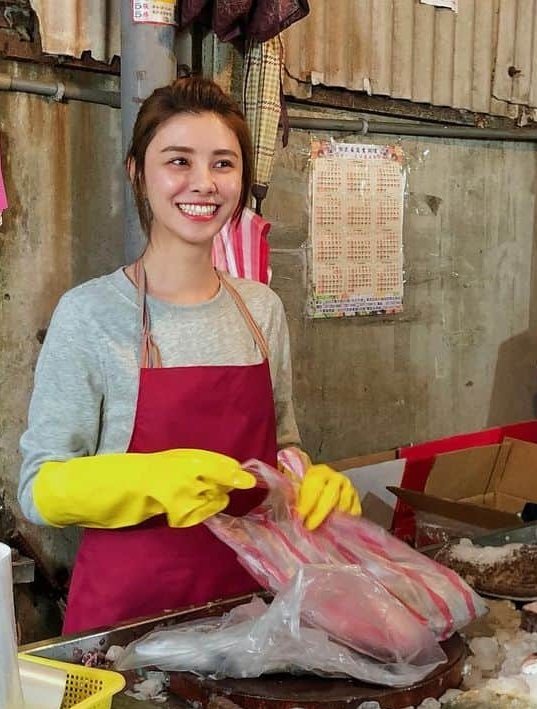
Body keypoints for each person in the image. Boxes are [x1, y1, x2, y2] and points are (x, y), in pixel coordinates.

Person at [18, 77, 360, 634]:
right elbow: (38, 488)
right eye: (179, 160)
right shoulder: (90, 315)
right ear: (137, 173)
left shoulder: (261, 310)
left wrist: (308, 480)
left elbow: (283, 447)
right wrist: (147, 479)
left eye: (223, 164)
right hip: (128, 629)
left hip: (253, 614)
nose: (203, 183)